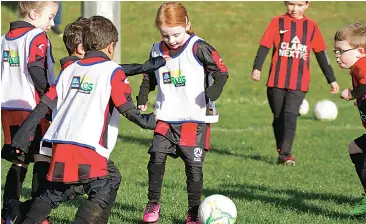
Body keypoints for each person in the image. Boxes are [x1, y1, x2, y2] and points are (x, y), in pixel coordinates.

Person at [11, 15, 167, 223]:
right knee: (106, 184)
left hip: (60, 147)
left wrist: (21, 136)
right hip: (87, 147)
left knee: (55, 192)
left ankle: (18, 216)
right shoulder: (112, 71)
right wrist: (149, 121)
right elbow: (126, 109)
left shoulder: (69, 71)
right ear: (111, 46)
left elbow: (43, 105)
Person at [136, 2, 229, 223]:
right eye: (166, 35)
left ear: (187, 24)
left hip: (194, 118)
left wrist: (214, 90)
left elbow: (222, 72)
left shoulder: (199, 47)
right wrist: (143, 95)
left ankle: (194, 212)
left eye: (176, 34)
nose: (172, 40)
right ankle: (153, 203)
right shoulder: (157, 49)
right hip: (166, 116)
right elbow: (149, 75)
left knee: (193, 168)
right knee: (156, 158)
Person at [251, 1, 340, 166]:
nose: (294, 8)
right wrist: (257, 68)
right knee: (278, 117)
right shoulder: (277, 22)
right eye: (291, 4)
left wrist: (331, 79)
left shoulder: (311, 27)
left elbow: (321, 54)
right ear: (286, 3)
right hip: (276, 81)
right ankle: (281, 149)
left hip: (299, 82)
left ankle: (286, 155)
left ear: (307, 5)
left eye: (299, 5)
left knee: (290, 115)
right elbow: (264, 46)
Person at [0, 1, 59, 223]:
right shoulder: (36, 36)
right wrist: (50, 95)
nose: (52, 23)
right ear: (34, 14)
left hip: (7, 108)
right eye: (50, 17)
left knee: (19, 159)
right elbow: (36, 67)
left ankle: (8, 211)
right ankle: (37, 214)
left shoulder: (5, 38)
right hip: (33, 108)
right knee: (42, 155)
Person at [335, 23, 366, 218]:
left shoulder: (362, 64)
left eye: (341, 51)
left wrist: (352, 94)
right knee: (355, 148)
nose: (337, 56)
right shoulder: (356, 68)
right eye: (335, 51)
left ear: (360, 51)